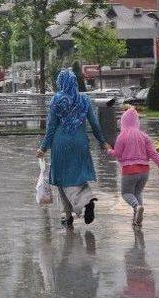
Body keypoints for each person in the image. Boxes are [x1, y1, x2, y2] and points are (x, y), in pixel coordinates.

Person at [37, 69, 110, 226]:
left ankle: (84, 203)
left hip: (61, 144)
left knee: (61, 180)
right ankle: (68, 215)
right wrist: (102, 141)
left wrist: (43, 148)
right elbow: (95, 123)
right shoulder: (84, 100)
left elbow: (51, 128)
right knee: (77, 178)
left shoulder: (57, 100)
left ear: (60, 83)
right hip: (81, 144)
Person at [107, 107, 159, 227]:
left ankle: (136, 207)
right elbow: (152, 152)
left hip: (129, 170)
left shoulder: (122, 136)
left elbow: (117, 154)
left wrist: (109, 150)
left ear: (123, 122)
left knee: (126, 193)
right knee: (138, 192)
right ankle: (137, 217)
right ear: (136, 122)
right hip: (144, 171)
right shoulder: (144, 136)